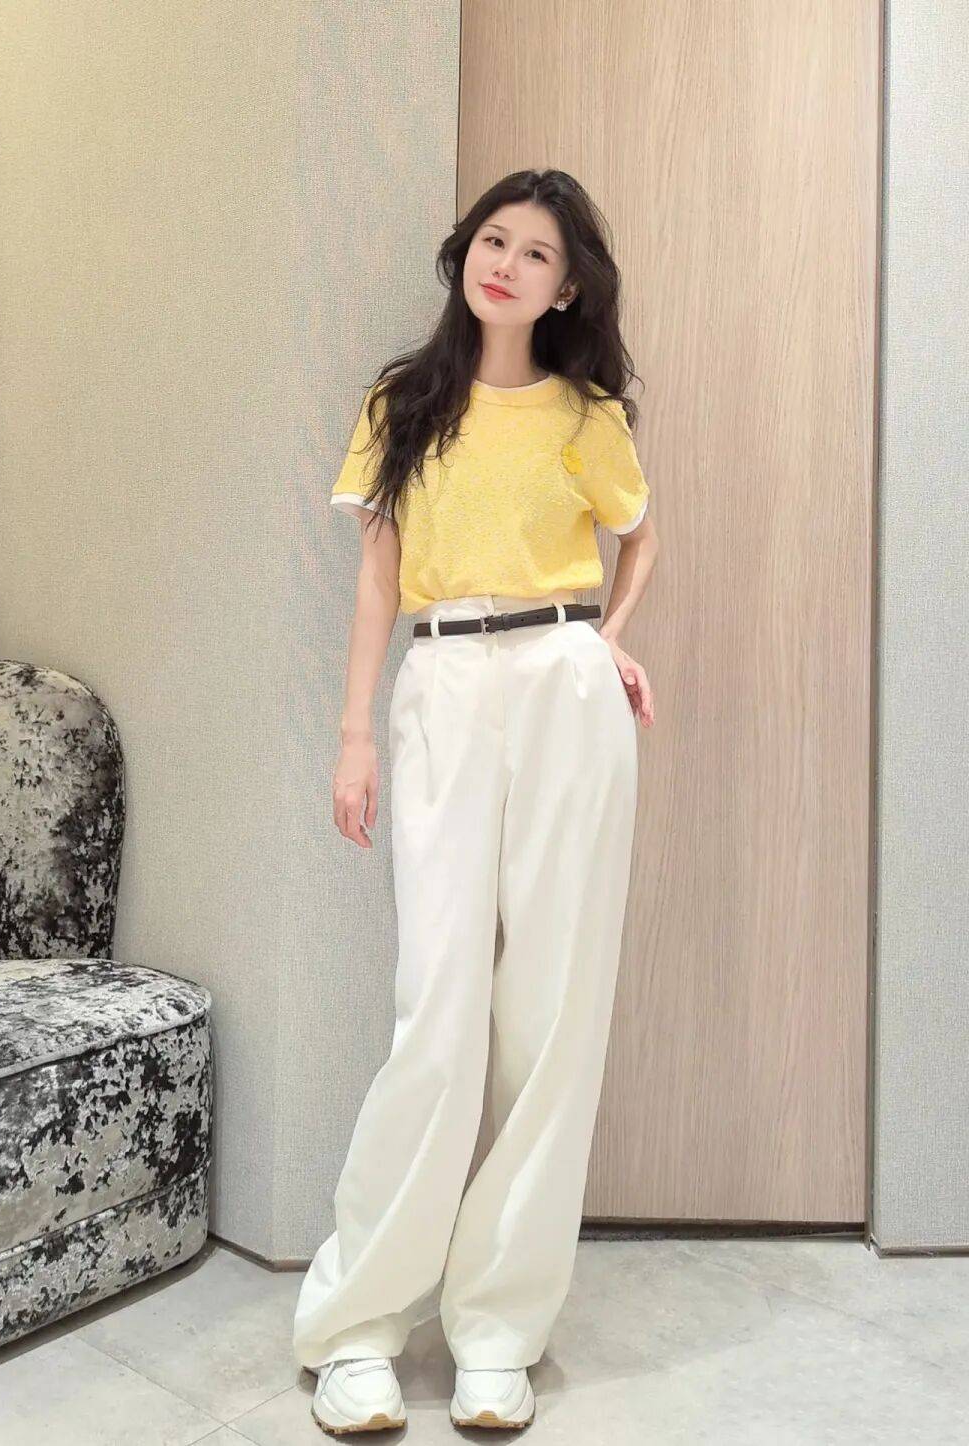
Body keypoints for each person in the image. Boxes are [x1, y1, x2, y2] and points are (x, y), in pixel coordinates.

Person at [293, 168, 659, 1435]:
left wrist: (608, 639)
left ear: (566, 289)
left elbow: (642, 534)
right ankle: (356, 1326)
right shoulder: (404, 400)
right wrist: (355, 736)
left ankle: (499, 1327)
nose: (507, 262)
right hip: (442, 679)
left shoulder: (586, 413)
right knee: (438, 1010)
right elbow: (376, 578)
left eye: (537, 253)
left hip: (563, 681)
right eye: (495, 239)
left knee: (551, 1012)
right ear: (467, 254)